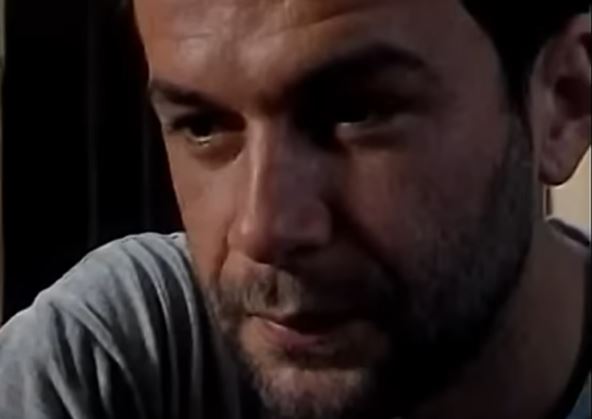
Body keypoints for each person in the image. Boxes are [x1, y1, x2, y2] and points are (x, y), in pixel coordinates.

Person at [0, 0, 591, 418]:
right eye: (203, 126)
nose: (260, 229)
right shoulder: (123, 357)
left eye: (356, 112)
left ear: (565, 103)